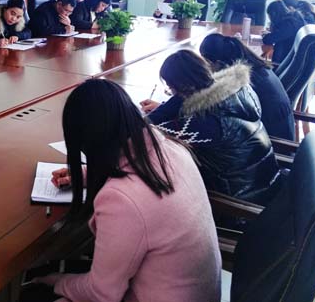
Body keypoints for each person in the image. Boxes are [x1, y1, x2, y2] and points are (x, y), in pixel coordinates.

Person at [28, 79, 221, 302]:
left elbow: (101, 293)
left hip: (153, 295)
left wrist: (57, 282)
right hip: (195, 291)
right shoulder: (172, 149)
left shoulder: (121, 200)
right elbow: (132, 167)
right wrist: (86, 174)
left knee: (35, 290)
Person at [141, 50, 283, 205]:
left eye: (171, 88)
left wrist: (144, 117)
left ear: (183, 87)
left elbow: (150, 134)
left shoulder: (207, 124)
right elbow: (164, 115)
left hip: (239, 204)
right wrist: (175, 101)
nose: (171, 92)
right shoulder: (237, 92)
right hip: (265, 186)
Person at [199, 33, 295, 140]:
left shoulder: (242, 80)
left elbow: (221, 109)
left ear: (217, 62)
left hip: (274, 141)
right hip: (276, 131)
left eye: (205, 63)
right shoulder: (254, 66)